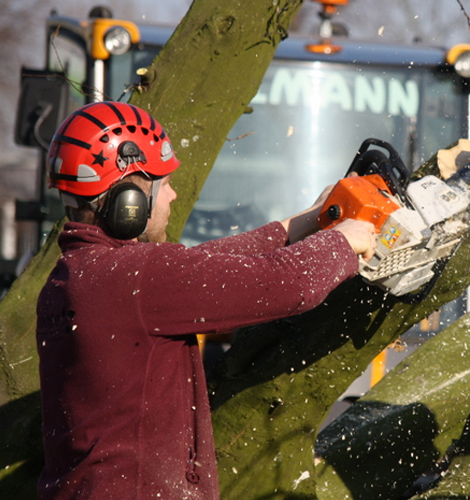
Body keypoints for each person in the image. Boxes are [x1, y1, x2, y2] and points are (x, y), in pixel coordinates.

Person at [36, 101, 376, 500]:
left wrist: (307, 221)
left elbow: (207, 268)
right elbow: (285, 284)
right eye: (162, 184)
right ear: (129, 197)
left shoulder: (74, 278)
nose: (174, 194)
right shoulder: (134, 277)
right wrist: (344, 241)